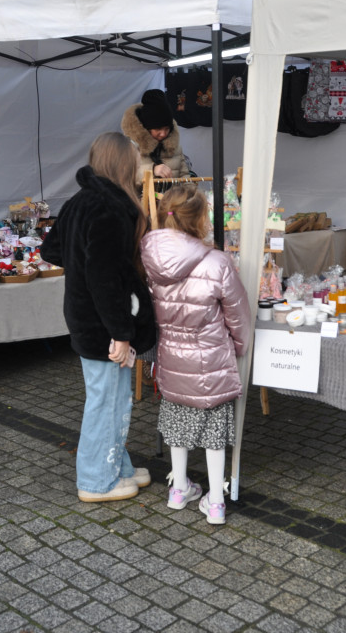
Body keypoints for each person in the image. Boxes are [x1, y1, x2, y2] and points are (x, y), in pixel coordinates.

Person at [41, 132, 157, 502]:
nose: (139, 168)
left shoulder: (80, 202)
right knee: (106, 401)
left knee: (113, 399)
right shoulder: (109, 208)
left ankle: (115, 466)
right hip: (104, 323)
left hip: (88, 316)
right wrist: (122, 333)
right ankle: (94, 480)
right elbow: (105, 278)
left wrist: (79, 261)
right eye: (135, 161)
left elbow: (52, 249)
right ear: (123, 164)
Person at [140, 184, 250, 525]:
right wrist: (242, 348)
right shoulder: (218, 261)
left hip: (172, 356)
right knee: (215, 433)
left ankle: (178, 490)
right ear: (202, 218)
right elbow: (238, 315)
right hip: (213, 360)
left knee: (177, 426)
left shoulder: (148, 257)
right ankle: (215, 502)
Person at [121, 89, 192, 182]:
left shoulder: (175, 147)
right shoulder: (130, 147)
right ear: (147, 128)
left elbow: (184, 176)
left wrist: (192, 194)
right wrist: (152, 170)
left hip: (171, 196)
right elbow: (124, 177)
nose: (163, 134)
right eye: (158, 129)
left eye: (167, 129)